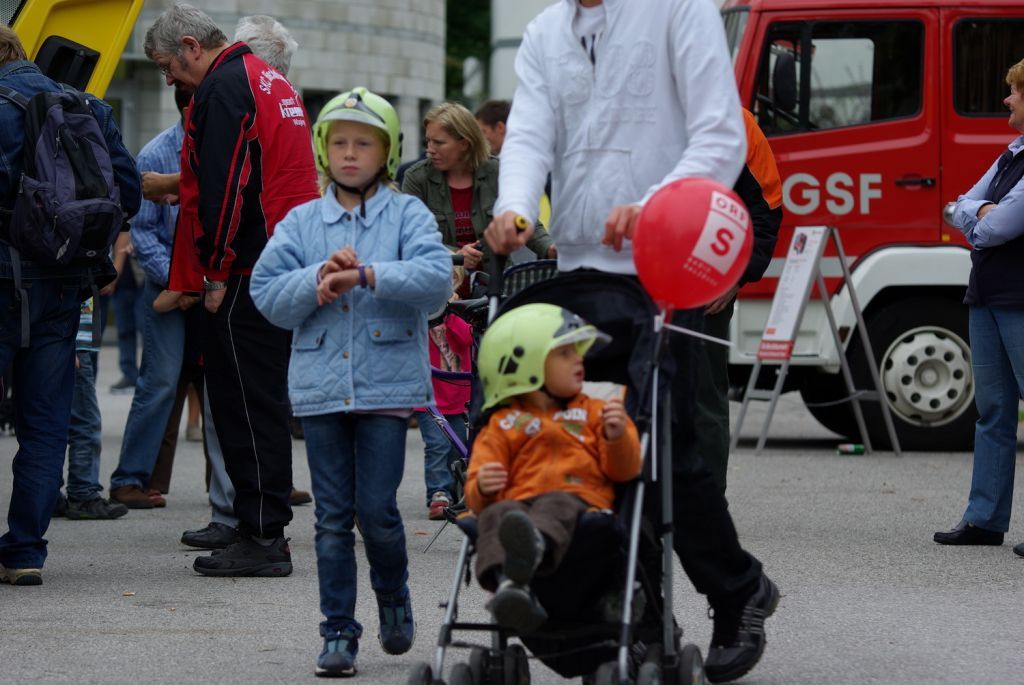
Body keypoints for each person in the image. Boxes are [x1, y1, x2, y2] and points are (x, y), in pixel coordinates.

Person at [482, 1, 778, 681]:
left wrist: (656, 204)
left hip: (664, 261)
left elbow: (720, 134)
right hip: (579, 266)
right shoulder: (545, 31)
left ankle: (738, 590)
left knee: (664, 445)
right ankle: (636, 612)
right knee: (575, 435)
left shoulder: (678, 10)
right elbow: (528, 136)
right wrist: (514, 207)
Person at [251, 87, 451, 678]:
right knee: (332, 518)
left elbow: (436, 281)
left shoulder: (408, 214)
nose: (349, 153)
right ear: (322, 148)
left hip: (388, 390)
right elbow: (266, 295)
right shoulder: (301, 222)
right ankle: (337, 630)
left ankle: (393, 594)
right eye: (339, 142)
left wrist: (365, 275)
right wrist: (318, 276)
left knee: (377, 511)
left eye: (364, 143)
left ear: (387, 153)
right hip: (320, 391)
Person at [144, 4, 319, 576]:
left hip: (249, 267)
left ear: (192, 46)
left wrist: (215, 271)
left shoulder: (224, 87)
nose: (168, 79)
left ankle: (263, 535)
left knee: (245, 402)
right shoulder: (266, 78)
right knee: (256, 399)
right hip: (278, 254)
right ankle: (256, 525)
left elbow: (227, 187)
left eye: (168, 66)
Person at [0, 26, 140, 586]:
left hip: (1, 277)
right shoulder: (88, 106)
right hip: (63, 283)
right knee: (45, 424)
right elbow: (128, 192)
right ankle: (24, 553)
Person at [466, 303, 641, 634]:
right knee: (492, 514)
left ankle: (531, 551)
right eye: (565, 353)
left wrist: (617, 436)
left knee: (555, 502)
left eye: (577, 352)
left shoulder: (597, 411)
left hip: (577, 501)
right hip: (517, 506)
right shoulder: (503, 424)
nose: (579, 360)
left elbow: (625, 472)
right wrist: (481, 488)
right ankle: (510, 588)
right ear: (527, 366)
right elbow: (477, 499)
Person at [933, 58, 1024, 558]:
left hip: (1018, 298)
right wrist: (979, 212)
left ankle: (987, 515)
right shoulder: (1012, 154)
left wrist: (978, 214)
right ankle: (985, 519)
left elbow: (995, 227)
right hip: (987, 294)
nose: (1007, 99)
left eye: (1015, 92)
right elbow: (958, 206)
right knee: (992, 410)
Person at [695, 108, 783, 493]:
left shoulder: (734, 120)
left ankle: (708, 501)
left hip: (705, 279)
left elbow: (767, 206)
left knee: (702, 394)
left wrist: (738, 272)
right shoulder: (631, 110)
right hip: (638, 273)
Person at [402, 101, 555, 275]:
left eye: (438, 143)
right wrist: (454, 255)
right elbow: (411, 236)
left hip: (495, 282)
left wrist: (550, 248)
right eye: (428, 141)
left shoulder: (498, 171)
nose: (429, 150)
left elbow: (523, 221)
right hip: (441, 282)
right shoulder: (416, 178)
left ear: (465, 143)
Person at [54, 296, 130, 520]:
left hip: (59, 339)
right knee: (84, 421)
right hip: (70, 340)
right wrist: (71, 345)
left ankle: (45, 494)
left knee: (49, 421)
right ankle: (83, 493)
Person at [416, 264, 472, 520]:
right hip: (429, 396)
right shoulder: (422, 310)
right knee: (437, 446)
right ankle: (438, 493)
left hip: (455, 396)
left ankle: (455, 491)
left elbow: (466, 339)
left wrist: (450, 312)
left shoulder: (459, 313)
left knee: (457, 448)